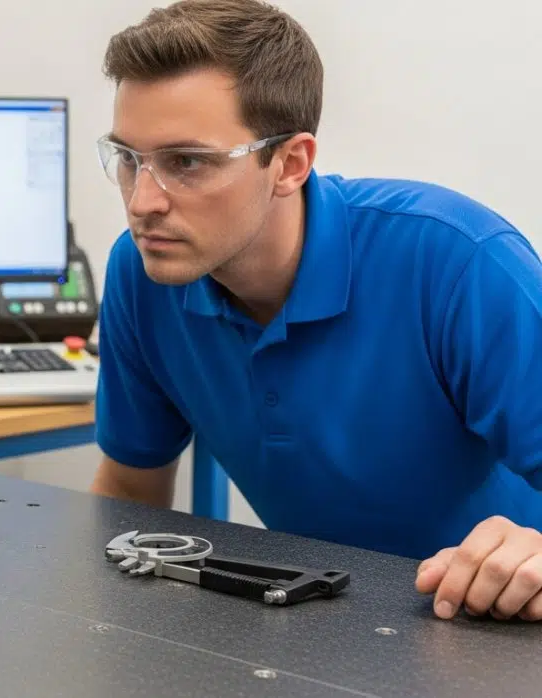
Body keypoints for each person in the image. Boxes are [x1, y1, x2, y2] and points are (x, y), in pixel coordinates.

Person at [90, 0, 542, 622]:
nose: (143, 202)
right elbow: (129, 496)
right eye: (128, 159)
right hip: (317, 618)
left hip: (496, 623)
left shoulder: (456, 260)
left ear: (290, 163)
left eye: (186, 162)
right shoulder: (140, 274)